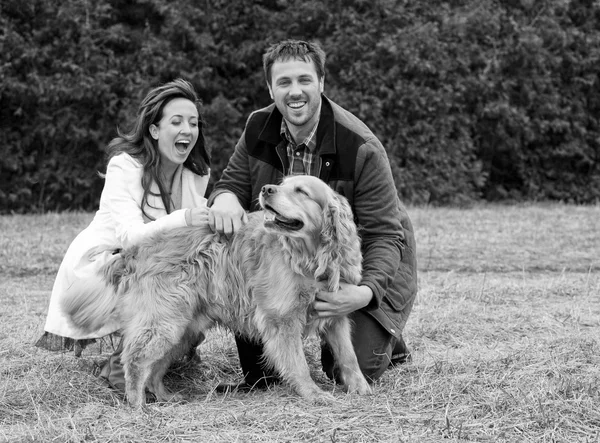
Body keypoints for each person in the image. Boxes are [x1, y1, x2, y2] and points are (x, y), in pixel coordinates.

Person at [208, 40, 418, 391]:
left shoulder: (361, 146)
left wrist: (364, 293)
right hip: (288, 266)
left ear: (321, 82)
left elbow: (386, 235)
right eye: (284, 82)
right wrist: (224, 197)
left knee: (350, 370)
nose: (295, 92)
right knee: (266, 376)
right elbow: (231, 183)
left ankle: (385, 335)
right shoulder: (258, 126)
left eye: (304, 80)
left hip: (360, 265)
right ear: (270, 88)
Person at [35, 78, 211, 393]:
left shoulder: (196, 175)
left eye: (194, 122)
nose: (188, 129)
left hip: (153, 266)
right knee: (166, 291)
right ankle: (122, 367)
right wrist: (183, 217)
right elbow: (131, 237)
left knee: (191, 288)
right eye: (177, 121)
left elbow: (190, 241)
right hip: (105, 263)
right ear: (155, 130)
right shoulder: (125, 167)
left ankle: (169, 349)